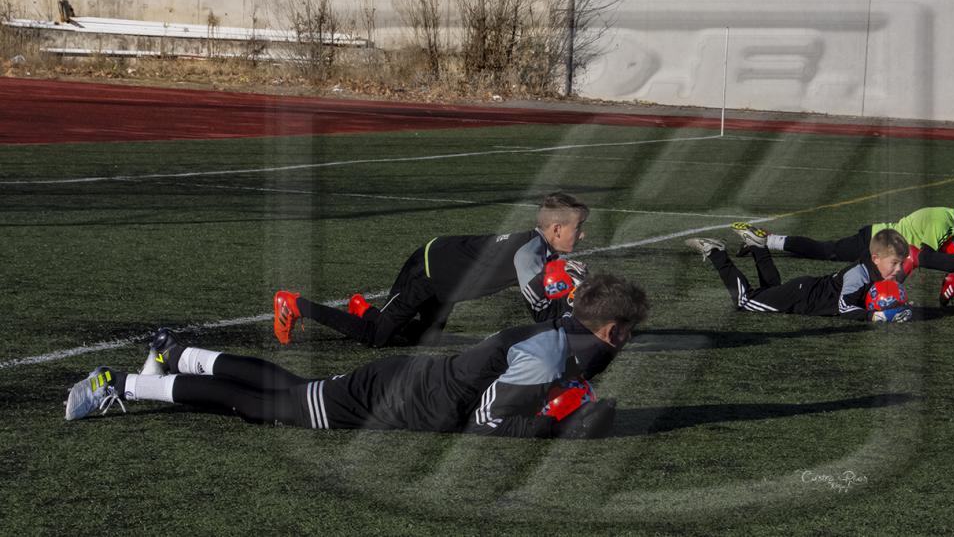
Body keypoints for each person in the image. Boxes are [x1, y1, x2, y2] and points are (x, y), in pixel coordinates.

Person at [64, 274, 650, 439]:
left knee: (291, 388)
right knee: (261, 407)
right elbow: (488, 421)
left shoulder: (561, 333)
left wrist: (567, 400)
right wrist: (555, 425)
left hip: (408, 383)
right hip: (399, 397)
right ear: (612, 330)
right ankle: (122, 384)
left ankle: (177, 352)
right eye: (631, 331)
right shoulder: (552, 357)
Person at [274, 192, 590, 347]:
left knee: (426, 338)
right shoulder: (530, 253)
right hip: (427, 271)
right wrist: (571, 315)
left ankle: (364, 310)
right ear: (557, 229)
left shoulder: (541, 249)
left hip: (445, 281)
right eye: (578, 228)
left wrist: (568, 291)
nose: (582, 235)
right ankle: (295, 304)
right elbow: (539, 312)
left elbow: (548, 297)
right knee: (376, 338)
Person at [684, 227, 912, 322]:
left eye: (900, 264)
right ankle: (715, 252)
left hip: (804, 290)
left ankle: (758, 245)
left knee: (769, 291)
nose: (898, 270)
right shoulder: (859, 274)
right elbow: (844, 308)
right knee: (745, 301)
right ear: (876, 258)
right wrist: (875, 317)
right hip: (802, 297)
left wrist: (897, 306)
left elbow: (874, 299)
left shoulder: (876, 273)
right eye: (894, 263)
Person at [731, 205, 954, 262]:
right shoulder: (942, 222)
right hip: (875, 241)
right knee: (827, 251)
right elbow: (927, 257)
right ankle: (766, 240)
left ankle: (762, 243)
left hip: (882, 245)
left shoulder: (947, 220)